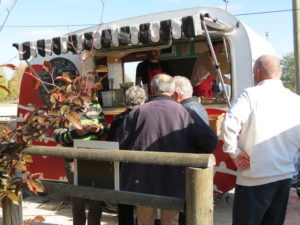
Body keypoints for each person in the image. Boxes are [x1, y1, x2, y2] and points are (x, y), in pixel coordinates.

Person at [117, 74, 218, 225]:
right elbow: (210, 141)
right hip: (175, 177)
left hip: (142, 178)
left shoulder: (137, 113)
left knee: (144, 220)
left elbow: (119, 144)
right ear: (172, 90)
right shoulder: (186, 113)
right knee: (171, 220)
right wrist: (192, 155)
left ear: (152, 89)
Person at [220, 54, 300, 225]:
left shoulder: (251, 94)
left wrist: (234, 152)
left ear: (257, 72)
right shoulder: (296, 100)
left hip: (254, 176)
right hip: (284, 176)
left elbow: (229, 124)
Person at [53, 73, 108, 225]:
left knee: (96, 200)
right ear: (75, 89)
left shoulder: (96, 104)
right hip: (73, 159)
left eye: (90, 90)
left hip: (94, 158)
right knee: (78, 201)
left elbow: (105, 129)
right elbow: (57, 135)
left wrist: (98, 130)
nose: (87, 93)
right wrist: (74, 133)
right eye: (83, 90)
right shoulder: (66, 107)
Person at [107, 85, 147, 225]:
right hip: (144, 165)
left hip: (122, 166)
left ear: (126, 100)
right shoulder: (147, 117)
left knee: (124, 203)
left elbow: (110, 143)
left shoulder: (118, 118)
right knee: (145, 205)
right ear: (143, 99)